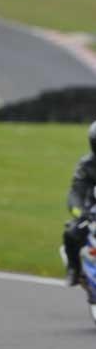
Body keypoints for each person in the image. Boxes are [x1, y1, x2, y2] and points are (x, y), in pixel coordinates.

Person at [63, 121, 96, 286]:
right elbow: (75, 194)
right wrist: (81, 213)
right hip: (92, 210)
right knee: (71, 233)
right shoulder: (86, 166)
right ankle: (73, 269)